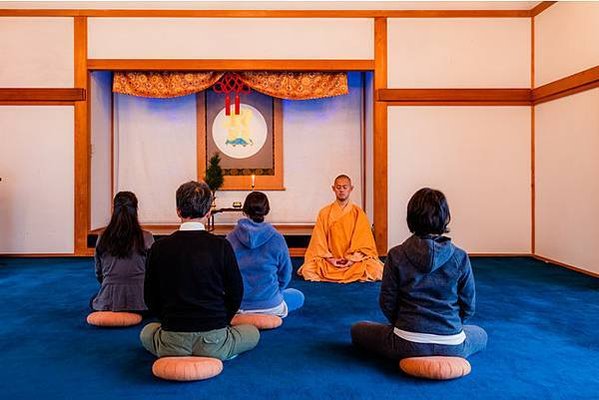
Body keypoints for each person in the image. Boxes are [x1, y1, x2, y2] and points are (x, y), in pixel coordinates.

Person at [351, 188, 487, 360]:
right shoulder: (460, 256)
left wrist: (403, 324)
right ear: (445, 218)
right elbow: (468, 306)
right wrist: (447, 328)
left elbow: (387, 302)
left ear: (410, 218)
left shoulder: (396, 254)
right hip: (453, 346)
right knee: (480, 333)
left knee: (357, 329)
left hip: (405, 343)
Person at [140, 181, 259, 361]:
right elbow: (236, 293)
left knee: (146, 332)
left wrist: (168, 321)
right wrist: (221, 321)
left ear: (178, 211)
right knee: (252, 332)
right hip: (215, 339)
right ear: (208, 212)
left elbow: (150, 296)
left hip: (172, 340)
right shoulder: (222, 246)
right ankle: (221, 349)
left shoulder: (159, 247)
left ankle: (174, 348)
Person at [227, 192, 304, 318]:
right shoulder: (277, 238)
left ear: (244, 210)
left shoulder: (230, 237)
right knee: (297, 296)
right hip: (270, 305)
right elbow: (286, 273)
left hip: (238, 306)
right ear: (266, 210)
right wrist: (276, 292)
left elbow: (225, 274)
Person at [297, 174, 383, 283]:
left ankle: (345, 271)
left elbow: (364, 244)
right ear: (333, 189)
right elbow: (319, 242)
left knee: (377, 270)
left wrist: (352, 260)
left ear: (351, 189)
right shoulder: (324, 213)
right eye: (338, 187)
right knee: (308, 270)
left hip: (353, 261)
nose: (341, 190)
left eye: (345, 187)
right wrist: (330, 259)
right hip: (330, 260)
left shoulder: (358, 213)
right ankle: (345, 272)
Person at [91, 191, 154, 313]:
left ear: (114, 210)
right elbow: (153, 273)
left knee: (93, 299)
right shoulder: (147, 237)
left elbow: (99, 274)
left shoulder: (102, 237)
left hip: (109, 300)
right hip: (142, 302)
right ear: (136, 210)